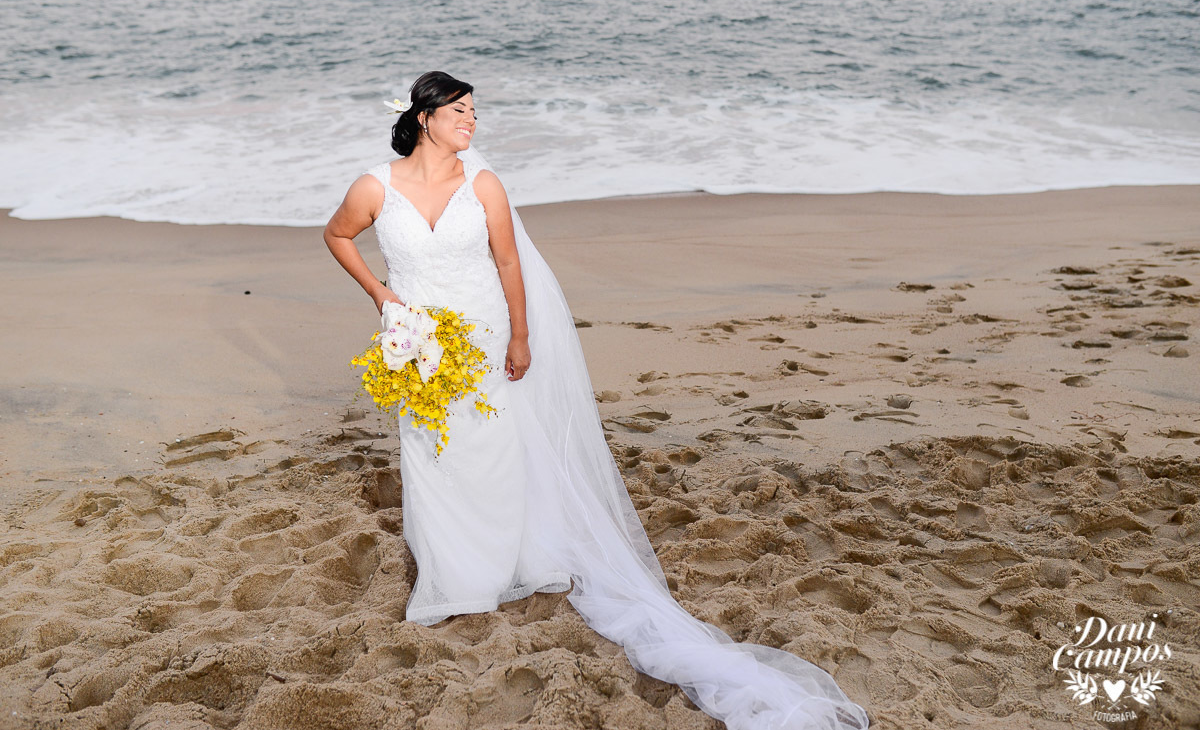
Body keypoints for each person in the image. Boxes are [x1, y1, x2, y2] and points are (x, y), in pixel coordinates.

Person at [324, 71, 870, 730]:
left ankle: (505, 565)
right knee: (431, 450)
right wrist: (385, 299)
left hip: (486, 330)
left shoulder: (484, 185)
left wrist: (520, 335)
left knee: (494, 448)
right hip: (416, 338)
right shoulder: (374, 186)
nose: (472, 120)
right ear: (424, 116)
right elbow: (337, 236)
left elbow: (507, 265)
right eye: (460, 110)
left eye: (475, 110)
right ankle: (452, 579)